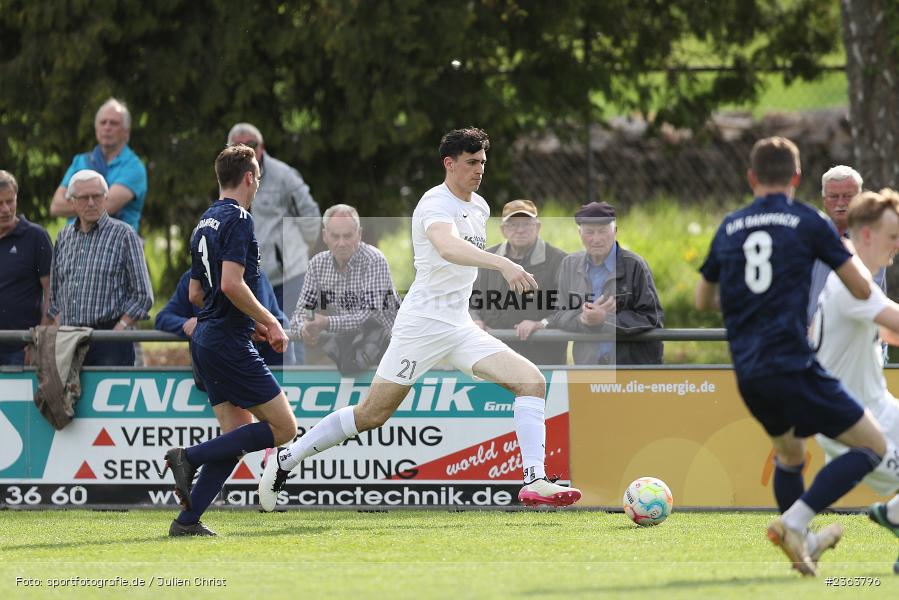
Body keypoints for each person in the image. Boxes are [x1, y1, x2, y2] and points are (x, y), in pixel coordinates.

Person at [259, 127, 581, 510]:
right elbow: (446, 247)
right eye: (471, 162)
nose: (480, 169)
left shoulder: (478, 206)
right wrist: (502, 261)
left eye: (483, 162)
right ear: (449, 163)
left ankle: (534, 480)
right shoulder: (433, 203)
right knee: (372, 414)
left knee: (531, 381)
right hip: (422, 325)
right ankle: (286, 458)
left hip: (459, 326)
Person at [695, 136, 891, 576]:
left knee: (791, 456)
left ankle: (801, 553)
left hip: (748, 371)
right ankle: (795, 521)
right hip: (794, 363)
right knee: (874, 446)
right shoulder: (809, 222)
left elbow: (703, 297)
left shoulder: (729, 225)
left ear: (751, 178)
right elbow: (862, 288)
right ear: (797, 179)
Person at [162, 144, 298, 536]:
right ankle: (188, 456)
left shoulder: (205, 221)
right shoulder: (240, 219)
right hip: (226, 343)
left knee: (235, 435)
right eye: (258, 179)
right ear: (250, 178)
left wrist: (243, 319)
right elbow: (231, 283)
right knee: (284, 428)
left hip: (207, 338)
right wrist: (269, 321)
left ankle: (187, 521)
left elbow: (194, 295)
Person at [811, 189, 899, 574]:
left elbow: (887, 330)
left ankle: (894, 514)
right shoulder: (855, 281)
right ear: (866, 235)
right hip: (852, 421)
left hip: (875, 407)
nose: (898, 244)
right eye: (892, 236)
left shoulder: (857, 276)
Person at [535, 202, 664, 365]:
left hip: (631, 368)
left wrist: (605, 319)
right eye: (589, 232)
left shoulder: (635, 265)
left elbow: (653, 318)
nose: (596, 239)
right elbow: (560, 314)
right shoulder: (569, 264)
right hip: (588, 367)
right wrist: (583, 319)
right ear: (579, 233)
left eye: (603, 231)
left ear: (615, 232)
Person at [48, 170, 153, 366]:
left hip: (110, 340)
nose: (90, 202)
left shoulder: (124, 235)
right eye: (83, 197)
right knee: (70, 398)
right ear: (72, 202)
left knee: (114, 398)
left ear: (105, 198)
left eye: (96, 196)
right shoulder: (63, 237)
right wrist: (61, 327)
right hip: (70, 341)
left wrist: (117, 332)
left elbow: (143, 296)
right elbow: (54, 294)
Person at [226, 124, 320, 335]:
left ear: (262, 147)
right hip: (248, 280)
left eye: (251, 145)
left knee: (294, 339)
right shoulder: (227, 180)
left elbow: (311, 218)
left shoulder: (285, 176)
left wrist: (295, 256)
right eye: (238, 147)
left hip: (290, 278)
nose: (246, 151)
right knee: (254, 340)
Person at [293, 204, 399, 371]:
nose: (341, 243)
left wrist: (326, 322)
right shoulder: (317, 264)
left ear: (359, 235)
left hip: (388, 350)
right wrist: (304, 329)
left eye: (347, 236)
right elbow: (300, 313)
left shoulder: (374, 260)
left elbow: (369, 317)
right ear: (325, 236)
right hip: (350, 351)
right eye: (335, 236)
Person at [470, 199, 568, 365]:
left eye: (527, 224)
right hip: (495, 354)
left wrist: (541, 324)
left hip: (544, 356)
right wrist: (475, 320)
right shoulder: (487, 258)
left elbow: (567, 306)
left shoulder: (559, 260)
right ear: (503, 230)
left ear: (538, 227)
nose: (520, 230)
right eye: (513, 225)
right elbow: (469, 300)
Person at [155, 269, 295, 367]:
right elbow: (163, 318)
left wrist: (204, 322)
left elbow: (257, 327)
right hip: (219, 364)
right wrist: (188, 324)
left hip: (270, 362)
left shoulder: (252, 274)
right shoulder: (192, 279)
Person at [49, 98, 147, 232]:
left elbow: (106, 207)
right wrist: (91, 204)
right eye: (103, 122)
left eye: (114, 123)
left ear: (126, 132)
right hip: (76, 244)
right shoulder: (80, 161)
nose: (107, 127)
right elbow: (55, 206)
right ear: (96, 130)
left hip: (118, 246)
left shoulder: (134, 167)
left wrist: (76, 199)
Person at [806, 166, 887, 325]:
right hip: (814, 340)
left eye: (848, 196)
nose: (841, 203)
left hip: (861, 336)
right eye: (834, 196)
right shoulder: (810, 237)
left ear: (859, 198)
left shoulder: (871, 239)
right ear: (824, 200)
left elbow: (867, 297)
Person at [0, 171, 52, 365]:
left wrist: (38, 340)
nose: (6, 209)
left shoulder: (36, 236)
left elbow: (52, 291)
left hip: (21, 348)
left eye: (10, 201)